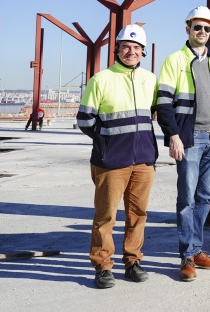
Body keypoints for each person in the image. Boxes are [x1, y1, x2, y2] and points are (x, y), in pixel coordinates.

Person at [155, 6, 210, 281]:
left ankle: (197, 250)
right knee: (186, 198)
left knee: (203, 198)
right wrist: (173, 135)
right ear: (187, 28)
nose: (202, 32)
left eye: (206, 28)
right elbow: (163, 102)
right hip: (189, 139)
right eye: (197, 27)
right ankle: (187, 257)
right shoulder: (174, 60)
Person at [78, 25, 158, 289]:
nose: (131, 52)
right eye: (126, 46)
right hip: (111, 161)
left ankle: (133, 261)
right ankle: (102, 266)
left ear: (142, 52)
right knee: (106, 216)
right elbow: (85, 120)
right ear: (117, 49)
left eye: (136, 48)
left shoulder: (150, 79)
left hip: (144, 160)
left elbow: (157, 112)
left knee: (138, 215)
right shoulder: (100, 80)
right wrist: (108, 143)